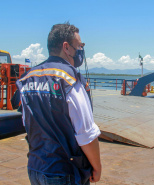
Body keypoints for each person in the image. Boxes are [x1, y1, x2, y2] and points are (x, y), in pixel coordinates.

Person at [16, 23, 101, 185]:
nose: (81, 51)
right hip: (63, 171)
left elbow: (27, 122)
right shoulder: (69, 79)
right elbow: (86, 134)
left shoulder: (27, 77)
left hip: (35, 167)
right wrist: (97, 167)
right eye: (79, 46)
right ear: (66, 47)